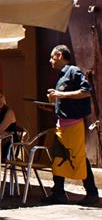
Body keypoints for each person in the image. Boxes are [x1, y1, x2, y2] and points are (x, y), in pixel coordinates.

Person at [42, 45, 99, 205]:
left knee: (77, 157)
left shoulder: (73, 71)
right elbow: (67, 100)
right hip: (62, 124)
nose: (50, 61)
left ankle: (92, 192)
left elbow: (86, 91)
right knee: (59, 156)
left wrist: (61, 94)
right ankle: (58, 192)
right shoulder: (62, 75)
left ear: (59, 55)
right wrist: (52, 104)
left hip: (73, 125)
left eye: (52, 57)